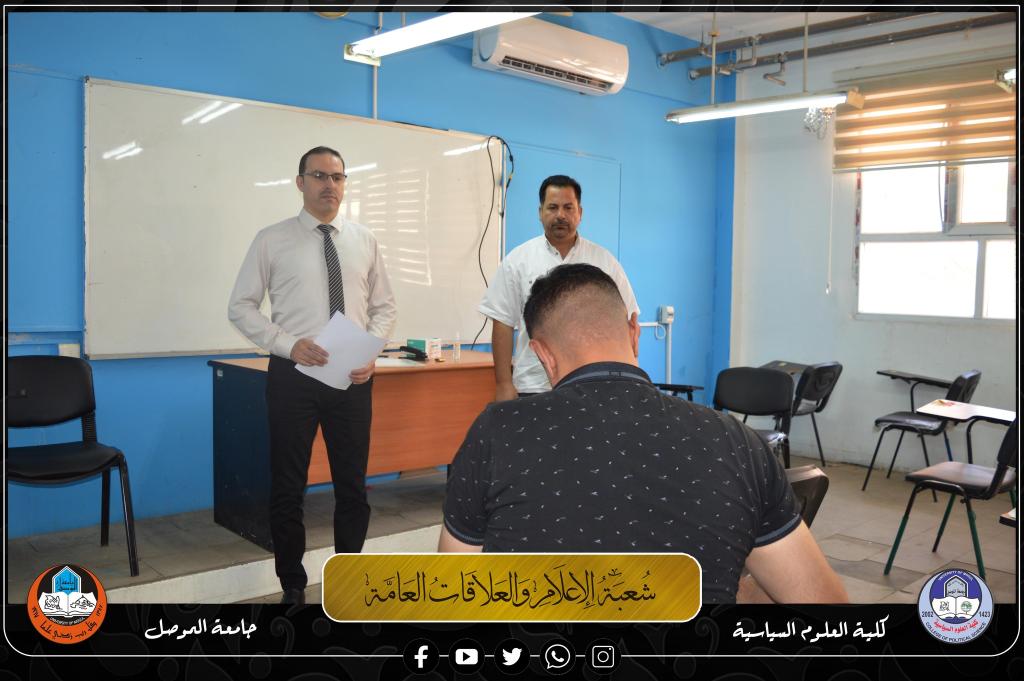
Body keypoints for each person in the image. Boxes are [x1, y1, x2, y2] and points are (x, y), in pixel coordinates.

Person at [439, 264, 848, 604]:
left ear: (542, 354)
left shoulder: (497, 431)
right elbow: (824, 603)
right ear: (635, 332)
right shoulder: (739, 442)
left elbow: (450, 597)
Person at [228, 146, 397, 606]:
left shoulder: (364, 240)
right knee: (288, 487)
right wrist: (287, 343)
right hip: (294, 376)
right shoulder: (272, 239)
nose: (330, 185)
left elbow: (384, 307)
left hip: (352, 378)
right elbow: (240, 306)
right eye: (320, 176)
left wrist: (371, 350)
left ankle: (349, 579)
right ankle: (293, 586)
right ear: (300, 182)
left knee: (352, 487)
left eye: (338, 177)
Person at [479, 175, 639, 401]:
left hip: (593, 384)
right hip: (533, 385)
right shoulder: (518, 261)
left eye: (568, 207)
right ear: (540, 212)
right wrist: (503, 383)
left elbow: (627, 321)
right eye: (553, 207)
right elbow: (502, 322)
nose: (560, 215)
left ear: (580, 213)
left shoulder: (604, 262)